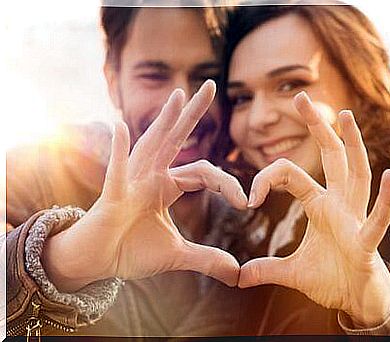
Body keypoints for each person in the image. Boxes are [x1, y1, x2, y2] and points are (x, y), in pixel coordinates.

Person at [207, 4, 390, 335]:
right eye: (242, 98)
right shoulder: (270, 218)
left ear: (360, 85)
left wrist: (378, 308)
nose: (258, 118)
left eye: (291, 84)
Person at [5, 5, 250, 336]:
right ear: (112, 78)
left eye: (205, 77)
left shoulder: (256, 219)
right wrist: (63, 261)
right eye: (154, 75)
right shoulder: (34, 173)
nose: (181, 100)